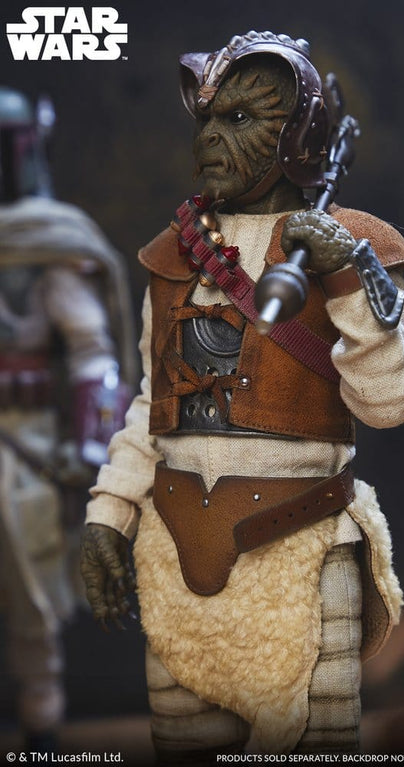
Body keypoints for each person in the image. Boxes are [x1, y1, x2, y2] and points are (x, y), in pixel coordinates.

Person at [81, 31, 404, 760]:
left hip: (301, 554)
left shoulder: (351, 246)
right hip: (178, 562)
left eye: (238, 119)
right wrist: (110, 514)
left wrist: (348, 278)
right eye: (207, 119)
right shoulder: (175, 253)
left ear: (298, 136)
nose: (210, 137)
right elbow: (152, 407)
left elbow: (391, 405)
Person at [0, 86, 136, 749]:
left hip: (26, 442)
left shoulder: (49, 246)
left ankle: (41, 717)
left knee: (30, 582)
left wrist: (92, 441)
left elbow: (90, 350)